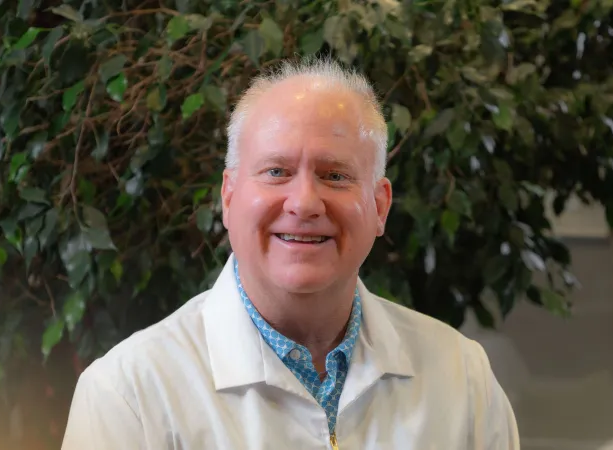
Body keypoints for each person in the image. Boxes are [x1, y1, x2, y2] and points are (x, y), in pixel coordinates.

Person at [61, 57, 519, 449]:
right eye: (276, 171)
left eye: (335, 175)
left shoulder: (462, 377)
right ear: (229, 195)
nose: (304, 203)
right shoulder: (128, 394)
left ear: (379, 207)